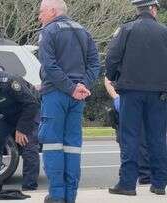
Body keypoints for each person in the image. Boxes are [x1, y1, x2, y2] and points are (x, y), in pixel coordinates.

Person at [37, 0, 100, 202]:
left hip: (56, 94)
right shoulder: (84, 31)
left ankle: (57, 196)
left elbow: (50, 66)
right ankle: (70, 196)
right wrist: (82, 85)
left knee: (52, 144)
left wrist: (71, 88)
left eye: (41, 12)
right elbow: (94, 63)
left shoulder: (48, 31)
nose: (39, 16)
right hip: (78, 97)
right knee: (73, 146)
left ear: (53, 11)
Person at [106, 0, 167, 196]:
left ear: (139, 9)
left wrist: (114, 77)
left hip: (130, 91)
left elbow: (112, 58)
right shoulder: (164, 32)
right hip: (159, 93)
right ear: (152, 8)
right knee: (157, 138)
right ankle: (159, 183)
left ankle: (127, 184)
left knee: (130, 137)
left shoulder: (126, 29)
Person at [104, 77, 151, 184]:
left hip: (144, 102)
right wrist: (116, 98)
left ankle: (145, 178)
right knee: (126, 143)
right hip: (125, 101)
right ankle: (128, 179)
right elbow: (108, 78)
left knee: (144, 143)